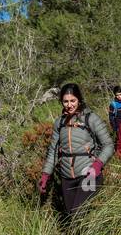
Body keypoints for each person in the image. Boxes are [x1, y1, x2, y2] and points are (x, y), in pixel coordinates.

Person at [39, 83, 114, 221]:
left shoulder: (91, 118)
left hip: (88, 174)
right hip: (66, 177)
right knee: (71, 216)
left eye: (72, 101)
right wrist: (46, 174)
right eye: (65, 101)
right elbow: (53, 152)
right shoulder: (59, 123)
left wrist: (97, 165)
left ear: (79, 100)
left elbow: (108, 145)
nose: (69, 105)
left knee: (78, 215)